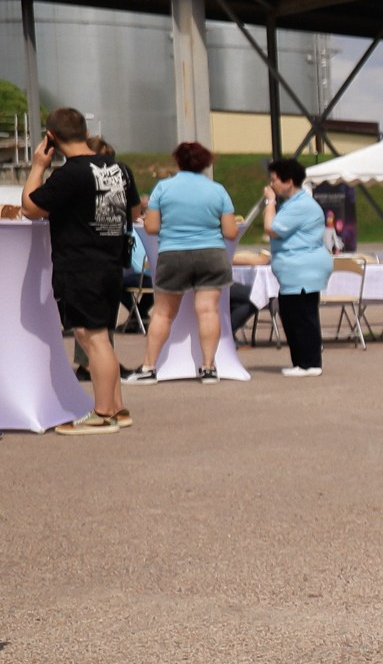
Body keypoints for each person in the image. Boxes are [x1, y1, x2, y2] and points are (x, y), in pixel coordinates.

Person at [20, 107, 135, 432]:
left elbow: (30, 207)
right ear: (84, 131)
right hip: (110, 263)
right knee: (101, 338)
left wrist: (38, 166)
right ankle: (117, 408)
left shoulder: (70, 174)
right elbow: (133, 208)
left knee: (91, 337)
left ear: (51, 137)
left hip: (81, 265)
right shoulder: (120, 169)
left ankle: (103, 413)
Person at [127, 141, 241, 386]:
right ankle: (208, 367)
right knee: (208, 311)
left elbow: (152, 227)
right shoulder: (218, 190)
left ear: (178, 161)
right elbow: (230, 232)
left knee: (163, 313)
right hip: (211, 254)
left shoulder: (163, 188)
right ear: (206, 163)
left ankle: (148, 367)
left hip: (173, 254)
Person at [262, 157, 332, 377]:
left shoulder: (301, 205)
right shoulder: (294, 204)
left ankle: (310, 363)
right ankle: (301, 362)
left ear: (289, 181)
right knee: (292, 315)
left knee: (302, 317)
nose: (271, 184)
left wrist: (270, 202)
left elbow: (271, 228)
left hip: (303, 269)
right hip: (295, 270)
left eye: (275, 180)